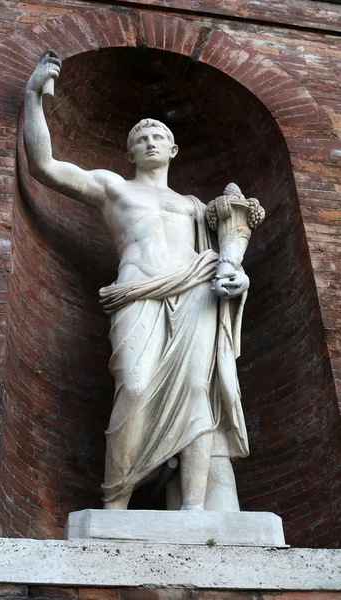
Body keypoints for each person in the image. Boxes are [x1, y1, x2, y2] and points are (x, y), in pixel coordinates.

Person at [24, 52, 253, 512]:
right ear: (129, 152)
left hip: (195, 292)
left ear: (172, 150)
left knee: (196, 390)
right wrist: (34, 97)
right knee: (135, 386)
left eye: (158, 136)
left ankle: (192, 508)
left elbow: (227, 252)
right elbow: (44, 166)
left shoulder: (193, 204)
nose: (150, 141)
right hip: (137, 292)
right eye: (141, 137)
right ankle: (115, 506)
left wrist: (236, 278)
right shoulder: (113, 187)